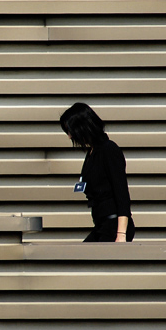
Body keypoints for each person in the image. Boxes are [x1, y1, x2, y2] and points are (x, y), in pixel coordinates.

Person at [59, 102, 135, 243]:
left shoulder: (108, 150)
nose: (69, 136)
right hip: (101, 226)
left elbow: (122, 194)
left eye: (70, 130)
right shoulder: (92, 153)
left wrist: (121, 234)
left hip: (113, 227)